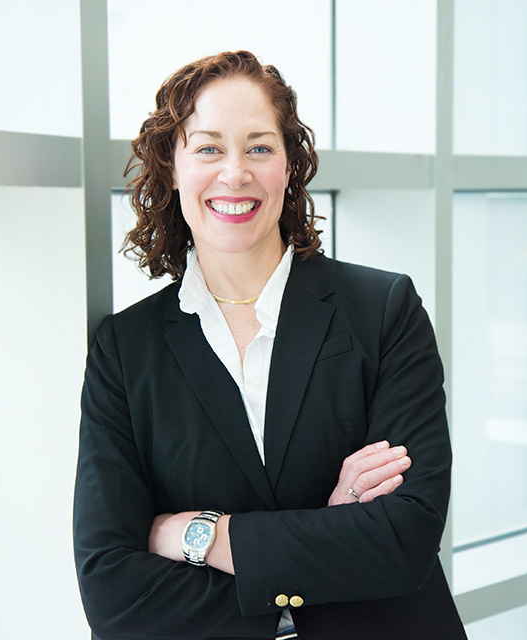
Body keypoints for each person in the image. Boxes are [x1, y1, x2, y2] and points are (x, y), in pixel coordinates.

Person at [73, 50, 466, 640]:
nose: (235, 173)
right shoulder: (125, 351)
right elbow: (113, 594)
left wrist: (196, 536)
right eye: (208, 149)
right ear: (172, 168)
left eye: (259, 148)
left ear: (289, 166)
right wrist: (326, 550)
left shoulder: (383, 310)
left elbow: (402, 540)